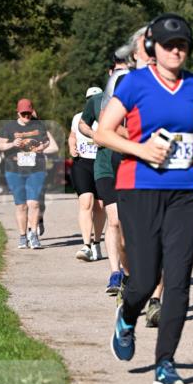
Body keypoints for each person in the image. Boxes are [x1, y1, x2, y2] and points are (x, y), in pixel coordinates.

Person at [94, 13, 193, 384]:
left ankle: (165, 364)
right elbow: (103, 133)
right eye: (168, 45)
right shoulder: (134, 84)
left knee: (178, 281)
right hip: (139, 188)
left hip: (186, 192)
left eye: (182, 45)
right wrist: (141, 149)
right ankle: (127, 316)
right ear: (153, 48)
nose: (176, 50)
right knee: (145, 279)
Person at [79, 51, 132, 293]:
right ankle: (114, 273)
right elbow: (83, 122)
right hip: (105, 165)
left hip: (132, 165)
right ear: (110, 74)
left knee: (131, 224)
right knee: (115, 220)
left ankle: (131, 272)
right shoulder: (98, 100)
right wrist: (94, 135)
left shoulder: (141, 97)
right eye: (117, 71)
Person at [0, 99, 51, 249]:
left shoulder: (39, 125)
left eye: (28, 113)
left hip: (36, 169)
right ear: (18, 112)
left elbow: (46, 141)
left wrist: (42, 146)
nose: (26, 116)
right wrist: (11, 144)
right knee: (21, 205)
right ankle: (22, 236)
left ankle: (33, 235)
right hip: (14, 170)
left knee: (33, 203)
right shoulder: (9, 127)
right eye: (23, 114)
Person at [69, 87, 105, 262]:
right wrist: (71, 146)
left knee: (100, 205)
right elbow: (72, 136)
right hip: (82, 163)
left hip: (101, 162)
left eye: (96, 98)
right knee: (86, 202)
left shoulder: (106, 117)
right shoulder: (78, 118)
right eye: (90, 99)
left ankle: (97, 242)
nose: (93, 102)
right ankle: (86, 245)